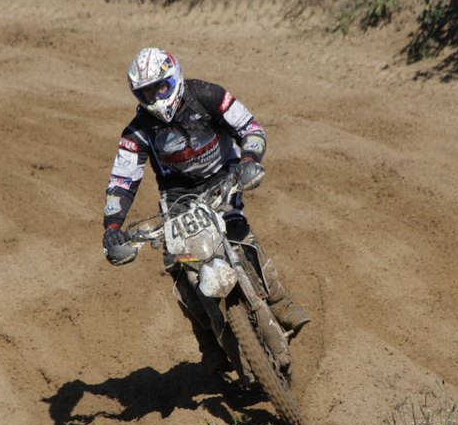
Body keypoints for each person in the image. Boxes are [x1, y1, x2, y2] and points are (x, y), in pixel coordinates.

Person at [101, 47, 310, 375]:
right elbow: (121, 182)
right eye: (146, 93)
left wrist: (249, 160)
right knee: (177, 263)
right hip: (177, 196)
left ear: (174, 79)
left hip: (224, 176)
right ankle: (208, 342)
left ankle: (281, 303)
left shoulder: (206, 95)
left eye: (160, 88)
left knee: (238, 232)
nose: (155, 98)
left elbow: (250, 128)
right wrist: (113, 227)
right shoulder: (137, 132)